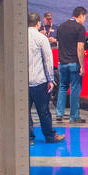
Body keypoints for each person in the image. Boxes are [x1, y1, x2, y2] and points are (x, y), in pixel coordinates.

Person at [26, 12, 63, 144]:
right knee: (44, 111)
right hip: (39, 81)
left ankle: (28, 138)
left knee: (25, 112)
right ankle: (50, 136)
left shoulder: (20, 38)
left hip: (23, 82)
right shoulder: (42, 38)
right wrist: (50, 79)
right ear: (38, 23)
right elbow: (48, 60)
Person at [54, 6, 86, 123]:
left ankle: (59, 113)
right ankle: (74, 116)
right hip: (74, 63)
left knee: (62, 87)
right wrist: (82, 65)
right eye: (84, 17)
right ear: (81, 15)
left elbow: (58, 45)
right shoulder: (80, 28)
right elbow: (80, 47)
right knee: (75, 89)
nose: (84, 20)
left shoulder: (61, 27)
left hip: (62, 63)